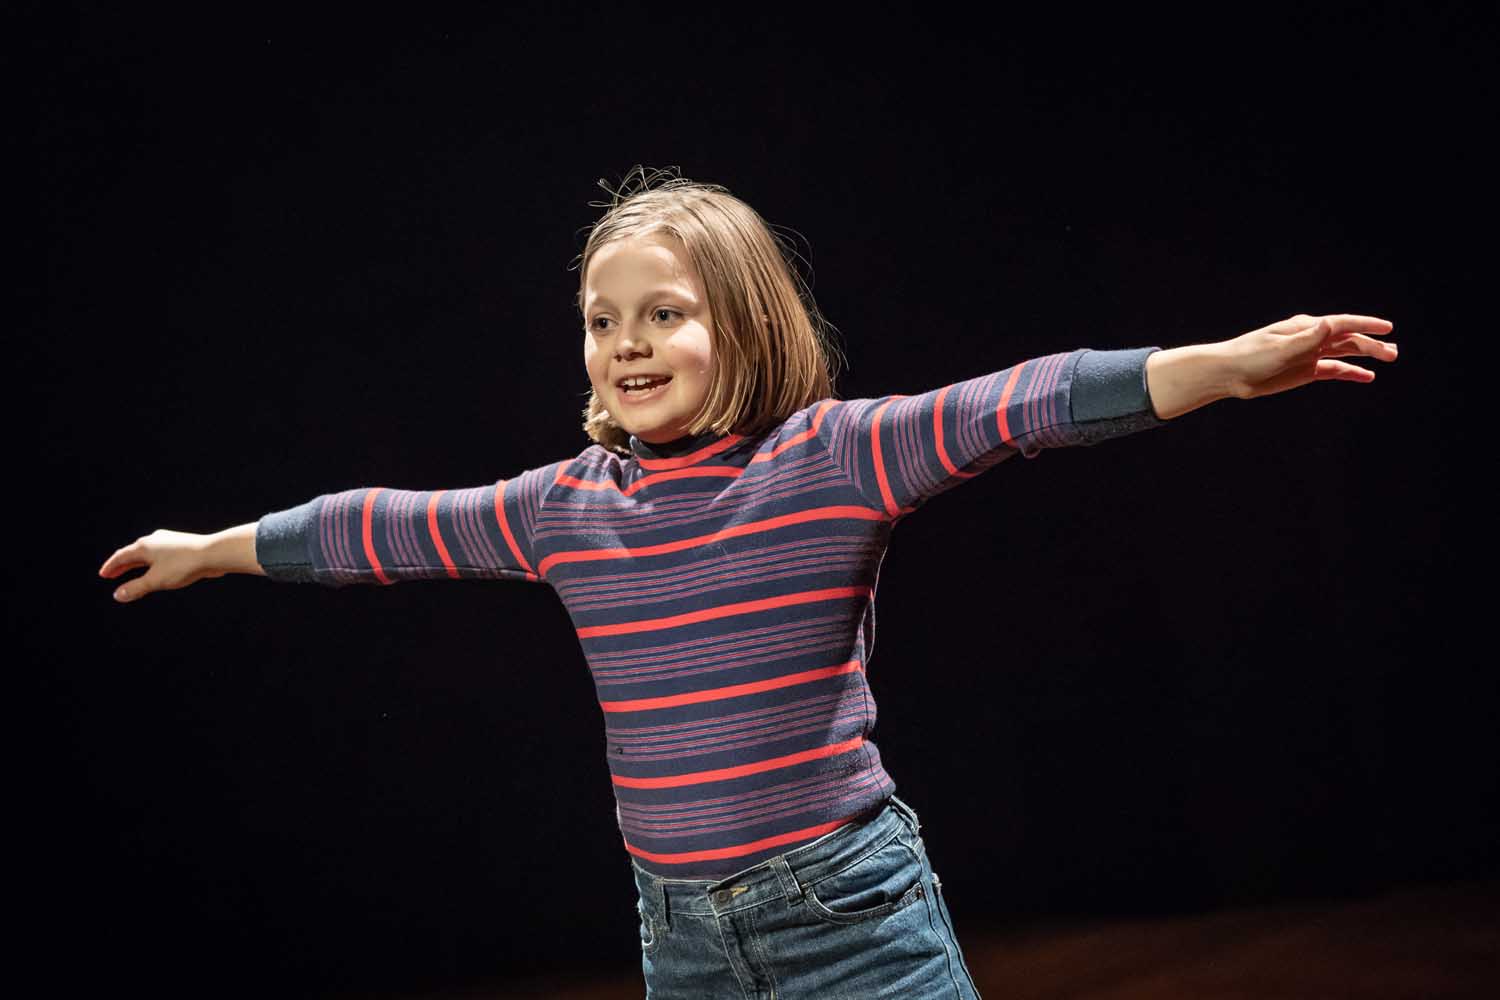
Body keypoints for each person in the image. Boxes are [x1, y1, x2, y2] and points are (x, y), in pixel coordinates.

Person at [97, 166, 1398, 998]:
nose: (627, 344)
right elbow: (381, 527)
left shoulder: (830, 459)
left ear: (748, 322)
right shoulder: (563, 511)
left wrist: (1220, 365)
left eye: (664, 311)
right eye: (603, 322)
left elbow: (1024, 404)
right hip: (679, 934)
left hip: (850, 913)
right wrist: (213, 549)